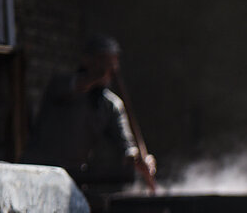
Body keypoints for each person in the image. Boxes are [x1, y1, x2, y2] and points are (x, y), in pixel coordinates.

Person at [22, 35, 156, 194]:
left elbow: (125, 144)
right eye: (101, 59)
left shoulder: (111, 105)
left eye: (112, 61)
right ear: (86, 60)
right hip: (36, 174)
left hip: (73, 178)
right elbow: (77, 86)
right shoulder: (61, 85)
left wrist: (136, 158)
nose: (108, 67)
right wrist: (97, 76)